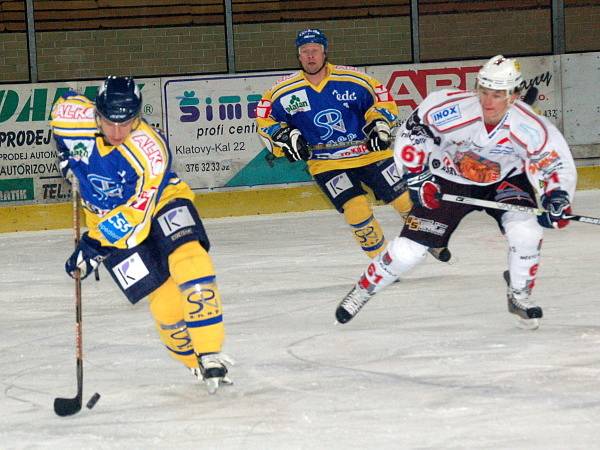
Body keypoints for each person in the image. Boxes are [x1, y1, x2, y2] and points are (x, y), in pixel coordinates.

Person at [335, 55, 577, 329]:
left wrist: (556, 196)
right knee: (407, 252)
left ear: (514, 96)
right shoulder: (449, 107)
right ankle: (363, 289)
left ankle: (519, 292)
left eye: (497, 95)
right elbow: (414, 132)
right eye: (483, 92)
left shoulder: (530, 126)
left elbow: (552, 161)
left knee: (527, 232)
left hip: (506, 180)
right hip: (448, 178)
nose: (487, 102)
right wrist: (417, 178)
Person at [50, 76, 232, 394]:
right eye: (109, 123)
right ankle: (194, 362)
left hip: (157, 202)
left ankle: (210, 350)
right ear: (97, 113)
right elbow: (62, 116)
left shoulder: (152, 151)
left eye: (128, 123)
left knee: (190, 260)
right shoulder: (69, 116)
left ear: (138, 116)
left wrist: (95, 243)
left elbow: (137, 214)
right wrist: (66, 158)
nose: (118, 133)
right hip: (103, 216)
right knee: (165, 306)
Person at [256, 28, 450, 262]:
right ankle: (381, 261)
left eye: (315, 50)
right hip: (326, 164)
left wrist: (379, 122)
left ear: (324, 51)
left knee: (403, 199)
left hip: (369, 155)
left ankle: (428, 238)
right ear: (298, 56)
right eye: (305, 51)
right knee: (355, 207)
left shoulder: (353, 79)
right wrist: (283, 136)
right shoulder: (282, 91)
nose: (310, 56)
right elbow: (264, 119)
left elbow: (382, 100)